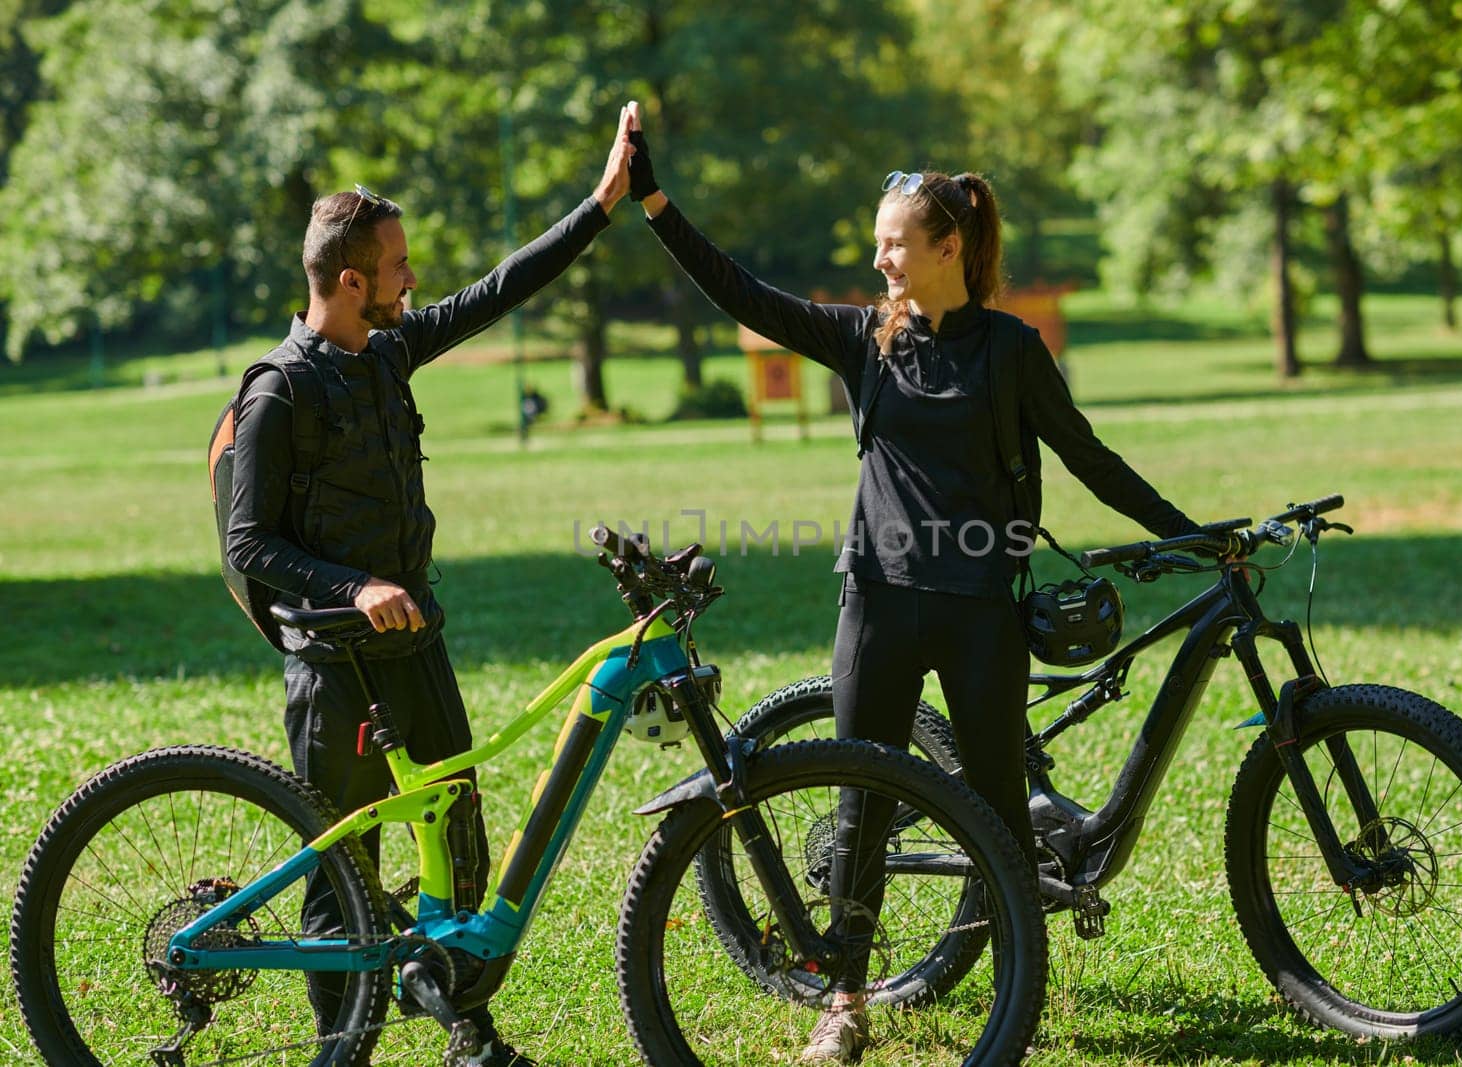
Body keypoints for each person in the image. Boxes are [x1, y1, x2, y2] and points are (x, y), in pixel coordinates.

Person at [623, 104, 1198, 1063]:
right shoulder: (867, 341)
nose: (882, 261)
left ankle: (1022, 982)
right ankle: (843, 1000)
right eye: (879, 245)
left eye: (897, 246)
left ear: (950, 246)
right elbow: (745, 295)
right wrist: (654, 201)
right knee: (862, 807)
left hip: (981, 614)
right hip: (879, 605)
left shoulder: (1011, 350)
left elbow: (1089, 459)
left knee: (1003, 815)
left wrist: (1190, 535)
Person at [224, 108, 636, 1066]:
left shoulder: (389, 352)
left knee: (457, 838)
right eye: (400, 264)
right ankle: (345, 1051)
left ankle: (467, 1032)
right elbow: (252, 542)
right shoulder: (278, 392)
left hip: (419, 643)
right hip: (336, 665)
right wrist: (357, 585)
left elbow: (499, 291)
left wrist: (599, 206)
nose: (415, 278)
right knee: (345, 873)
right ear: (352, 279)